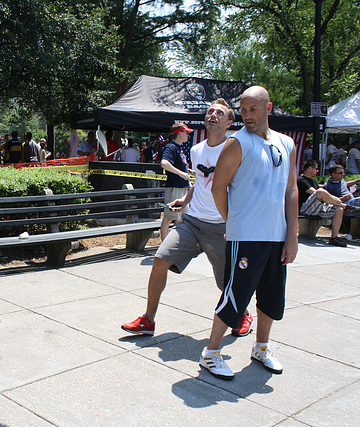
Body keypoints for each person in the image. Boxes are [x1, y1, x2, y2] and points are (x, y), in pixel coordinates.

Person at [122, 98, 256, 337]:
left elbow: (242, 190)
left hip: (221, 227)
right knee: (160, 259)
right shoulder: (196, 150)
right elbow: (200, 184)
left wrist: (238, 223)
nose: (213, 115)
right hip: (192, 222)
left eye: (219, 113)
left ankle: (243, 314)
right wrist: (185, 200)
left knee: (226, 282)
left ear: (229, 123)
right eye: (210, 112)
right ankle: (148, 320)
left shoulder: (236, 151)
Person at [200, 85, 298, 381]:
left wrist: (292, 234)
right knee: (235, 297)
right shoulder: (237, 143)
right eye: (242, 110)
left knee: (271, 297)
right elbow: (218, 188)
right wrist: (234, 222)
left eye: (253, 109)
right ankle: (211, 353)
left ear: (268, 108)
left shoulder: (287, 143)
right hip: (246, 236)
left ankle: (261, 347)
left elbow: (291, 189)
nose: (247, 115)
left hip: (276, 235)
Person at [298, 160, 354, 247]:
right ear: (310, 168)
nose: (317, 171)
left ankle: (334, 238)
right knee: (320, 192)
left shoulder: (314, 181)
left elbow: (325, 197)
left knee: (338, 209)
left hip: (319, 208)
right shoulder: (301, 180)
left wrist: (338, 200)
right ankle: (345, 206)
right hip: (305, 209)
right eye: (316, 169)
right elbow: (316, 193)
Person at [160, 122, 192, 241]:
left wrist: (188, 170)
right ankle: (164, 245)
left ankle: (176, 243)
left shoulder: (179, 148)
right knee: (169, 218)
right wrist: (180, 173)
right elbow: (164, 163)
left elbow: (177, 164)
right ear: (179, 133)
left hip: (183, 187)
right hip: (174, 187)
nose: (188, 134)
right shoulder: (171, 147)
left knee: (180, 218)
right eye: (186, 132)